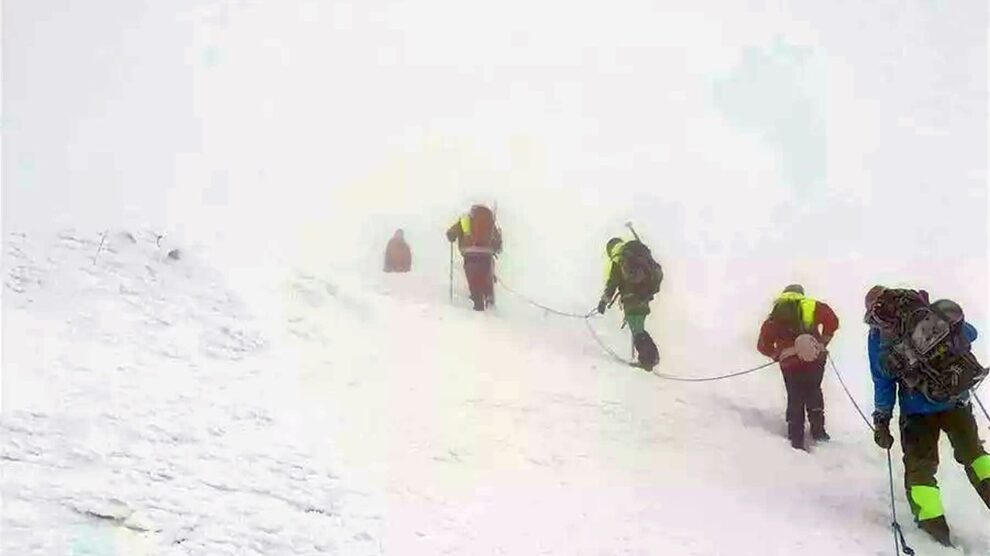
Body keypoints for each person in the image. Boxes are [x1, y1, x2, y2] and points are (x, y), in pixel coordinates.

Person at [866, 285, 990, 547]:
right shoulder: (930, 314)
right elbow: (970, 334)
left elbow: (883, 379)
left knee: (921, 471)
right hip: (956, 400)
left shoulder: (880, 334)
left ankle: (936, 533)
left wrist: (882, 418)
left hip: (916, 411)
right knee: (974, 456)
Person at [757, 284, 839, 450]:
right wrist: (823, 341)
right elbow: (833, 321)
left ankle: (796, 438)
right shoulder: (812, 305)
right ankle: (819, 432)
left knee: (794, 395)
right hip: (814, 359)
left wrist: (776, 355)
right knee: (814, 389)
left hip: (789, 363)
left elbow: (762, 345)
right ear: (801, 294)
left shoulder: (775, 314)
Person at [597, 237, 663, 371]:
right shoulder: (637, 254)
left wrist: (603, 301)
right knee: (639, 329)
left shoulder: (619, 259)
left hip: (632, 299)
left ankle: (648, 360)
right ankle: (650, 358)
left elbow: (612, 284)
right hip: (645, 297)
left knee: (637, 331)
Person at [446, 205, 502, 311]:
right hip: (487, 255)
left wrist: (452, 237)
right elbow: (497, 241)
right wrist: (495, 248)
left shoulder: (465, 219)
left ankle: (478, 305)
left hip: (470, 255)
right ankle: (489, 298)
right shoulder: (490, 222)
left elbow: (451, 234)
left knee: (473, 280)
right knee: (486, 277)